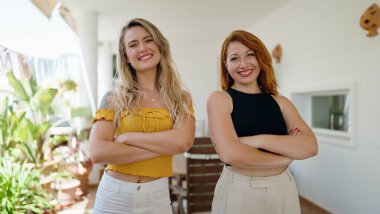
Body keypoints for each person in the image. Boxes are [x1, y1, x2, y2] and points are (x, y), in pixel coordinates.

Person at [89, 18, 195, 214]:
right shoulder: (112, 98)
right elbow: (97, 152)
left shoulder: (180, 99)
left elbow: (183, 143)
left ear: (160, 46)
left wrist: (129, 138)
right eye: (133, 44)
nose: (142, 48)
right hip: (114, 195)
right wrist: (164, 146)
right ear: (126, 57)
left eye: (148, 40)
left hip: (158, 197)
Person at [207, 30, 318, 214]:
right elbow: (230, 154)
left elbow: (310, 146)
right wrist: (285, 156)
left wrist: (257, 140)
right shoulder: (220, 99)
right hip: (239, 189)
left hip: (282, 188)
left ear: (261, 58)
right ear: (225, 65)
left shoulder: (281, 102)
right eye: (234, 58)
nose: (243, 64)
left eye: (250, 54)